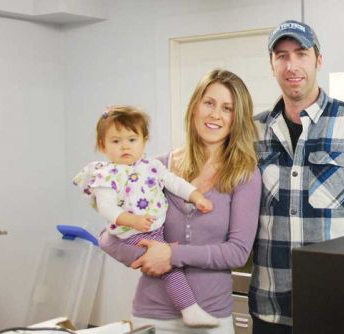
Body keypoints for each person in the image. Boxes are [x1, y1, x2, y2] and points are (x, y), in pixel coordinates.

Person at [248, 20, 344, 333]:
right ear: (271, 64)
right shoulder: (253, 132)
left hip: (340, 307)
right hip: (271, 311)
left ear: (318, 60)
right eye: (281, 56)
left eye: (301, 53)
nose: (291, 65)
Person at [97, 70, 262, 334]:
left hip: (212, 318)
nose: (215, 115)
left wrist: (171, 255)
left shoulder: (244, 174)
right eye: (209, 103)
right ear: (195, 106)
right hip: (152, 315)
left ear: (237, 118)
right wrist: (147, 256)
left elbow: (237, 252)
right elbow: (108, 236)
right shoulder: (156, 168)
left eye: (227, 108)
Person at [73, 105, 221, 327]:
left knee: (168, 260)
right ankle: (190, 309)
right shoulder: (105, 175)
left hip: (154, 227)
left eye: (132, 140)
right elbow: (107, 208)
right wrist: (131, 220)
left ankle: (188, 308)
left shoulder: (151, 166)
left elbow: (174, 183)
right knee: (169, 267)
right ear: (103, 145)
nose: (125, 146)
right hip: (131, 232)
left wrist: (197, 196)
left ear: (144, 141)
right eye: (116, 141)